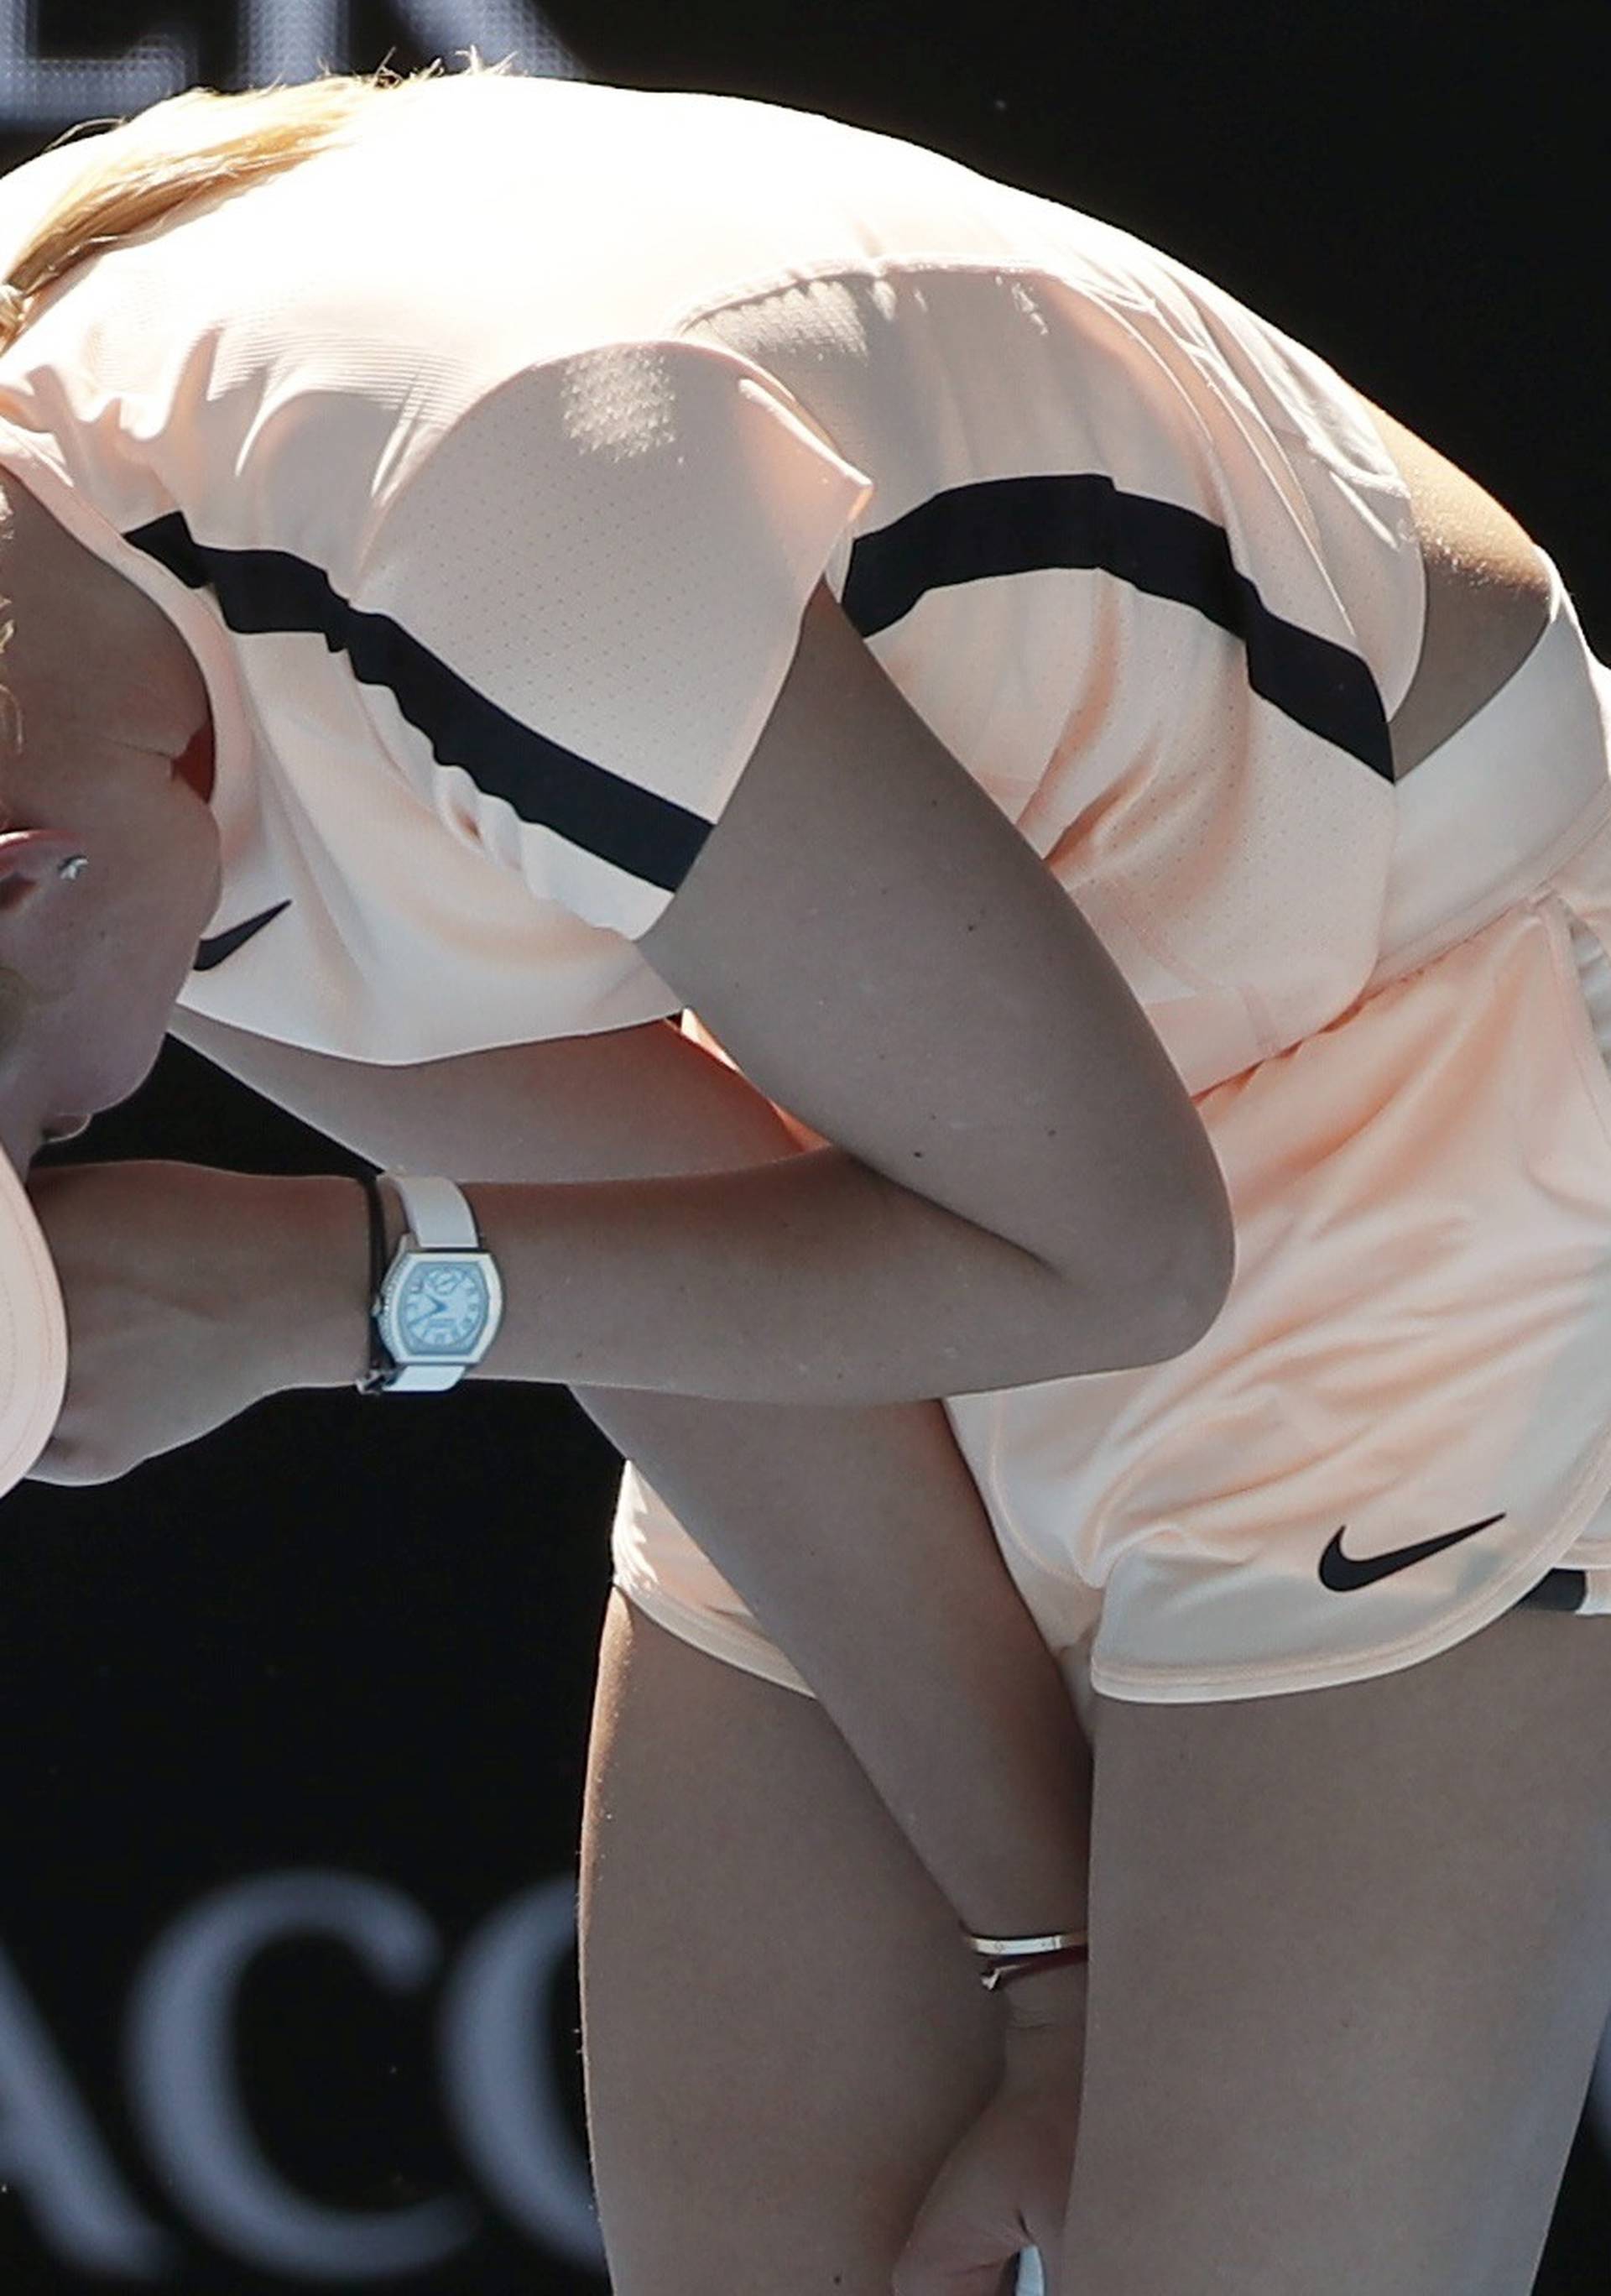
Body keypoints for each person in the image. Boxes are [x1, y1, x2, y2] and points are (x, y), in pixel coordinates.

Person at [0, 50, 1609, 2296]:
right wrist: (1043, 1970)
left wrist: (334, 1296)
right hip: (957, 1168)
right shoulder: (86, 748)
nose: (57, 1160)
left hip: (1406, 1078)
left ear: (20, 879)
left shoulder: (474, 519)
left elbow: (1114, 1254)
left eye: (33, 1140)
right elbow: (721, 1294)